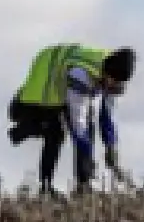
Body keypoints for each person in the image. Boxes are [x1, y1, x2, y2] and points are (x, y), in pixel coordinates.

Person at [7, 44, 135, 196]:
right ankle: (46, 187)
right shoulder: (81, 75)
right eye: (112, 82)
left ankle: (83, 186)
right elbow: (78, 125)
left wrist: (111, 148)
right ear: (107, 74)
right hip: (37, 99)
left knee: (86, 124)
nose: (114, 87)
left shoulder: (113, 74)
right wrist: (88, 157)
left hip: (61, 93)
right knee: (57, 131)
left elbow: (106, 117)